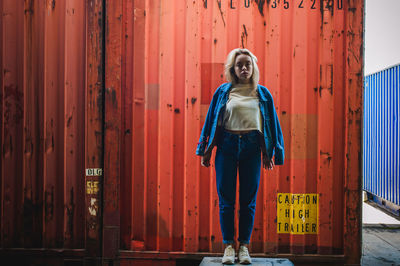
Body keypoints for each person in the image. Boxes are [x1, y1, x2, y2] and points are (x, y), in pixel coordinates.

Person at [196, 48, 284, 265]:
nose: (244, 68)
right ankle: (228, 247)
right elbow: (211, 121)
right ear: (233, 69)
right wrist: (205, 149)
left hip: (252, 149)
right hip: (226, 147)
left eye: (248, 64)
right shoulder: (223, 92)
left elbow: (272, 125)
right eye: (239, 65)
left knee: (248, 201)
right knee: (226, 201)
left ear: (253, 68)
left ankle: (243, 247)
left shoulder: (263, 94)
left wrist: (271, 152)